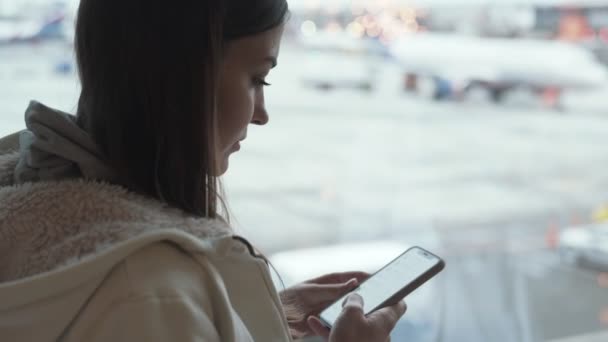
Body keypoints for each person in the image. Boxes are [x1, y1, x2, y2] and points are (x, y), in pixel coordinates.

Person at [0, 0, 406, 341]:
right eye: (257, 78)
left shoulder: (31, 198)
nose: (261, 114)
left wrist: (254, 314)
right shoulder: (153, 294)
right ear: (184, 74)